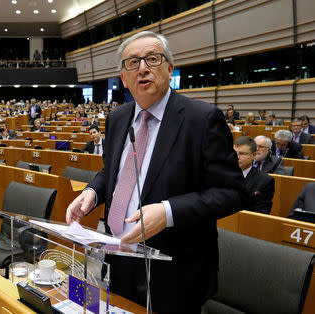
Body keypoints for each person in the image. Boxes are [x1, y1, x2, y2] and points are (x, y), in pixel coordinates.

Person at [65, 31, 246, 313]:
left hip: (175, 268)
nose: (142, 68)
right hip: (120, 256)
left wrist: (168, 212)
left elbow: (233, 192)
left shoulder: (202, 119)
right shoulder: (117, 118)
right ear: (123, 79)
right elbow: (111, 171)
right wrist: (93, 192)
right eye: (132, 63)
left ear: (170, 68)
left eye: (152, 59)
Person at [234, 136, 274, 214]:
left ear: (254, 155)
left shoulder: (265, 181)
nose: (237, 157)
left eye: (242, 154)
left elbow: (261, 213)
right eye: (234, 153)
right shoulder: (221, 174)